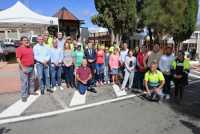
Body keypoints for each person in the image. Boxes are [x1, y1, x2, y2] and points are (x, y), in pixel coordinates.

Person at [16, 36, 37, 102]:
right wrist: (22, 68)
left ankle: (31, 91)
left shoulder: (30, 48)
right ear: (21, 41)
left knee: (32, 80)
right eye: (24, 40)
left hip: (31, 67)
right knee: (24, 82)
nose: (26, 41)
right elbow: (18, 59)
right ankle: (24, 95)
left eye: (27, 40)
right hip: (24, 68)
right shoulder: (19, 49)